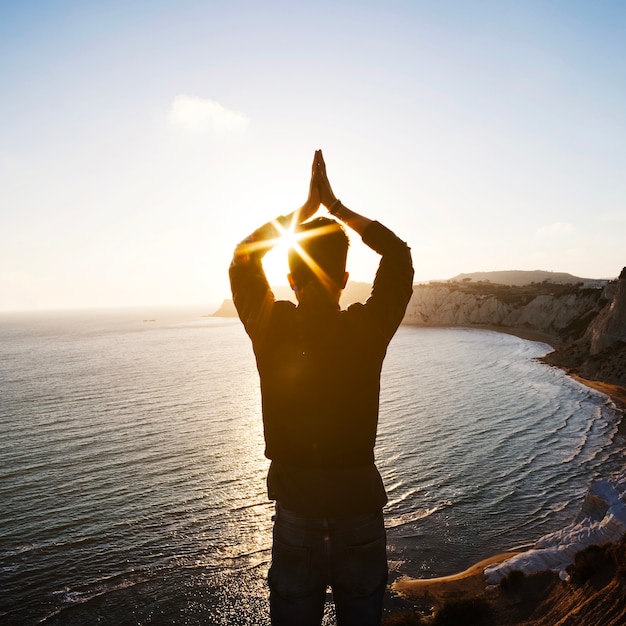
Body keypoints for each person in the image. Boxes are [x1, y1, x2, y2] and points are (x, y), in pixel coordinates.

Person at [229, 150, 414, 625]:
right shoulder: (366, 331)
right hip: (360, 513)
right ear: (345, 279)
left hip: (296, 516)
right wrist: (335, 207)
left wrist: (303, 212)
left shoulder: (271, 329)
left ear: (290, 278)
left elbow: (241, 260)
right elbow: (399, 256)